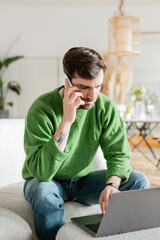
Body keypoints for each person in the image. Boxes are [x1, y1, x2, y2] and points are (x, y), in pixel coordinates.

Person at [22, 47, 149, 240]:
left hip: (82, 181)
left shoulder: (104, 107)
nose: (92, 95)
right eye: (84, 87)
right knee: (42, 191)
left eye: (98, 86)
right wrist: (66, 121)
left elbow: (118, 153)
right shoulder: (41, 109)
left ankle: (112, 235)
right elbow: (42, 172)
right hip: (48, 181)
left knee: (138, 180)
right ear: (68, 81)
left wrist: (112, 185)